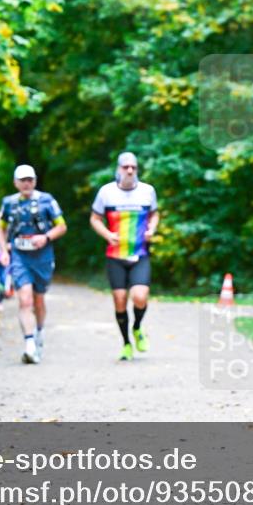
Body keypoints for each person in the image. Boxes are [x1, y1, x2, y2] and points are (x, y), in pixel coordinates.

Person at [89, 152, 159, 361]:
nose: (130, 170)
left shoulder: (147, 191)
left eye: (133, 167)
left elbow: (155, 213)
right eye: (126, 167)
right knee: (120, 300)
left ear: (137, 169)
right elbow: (94, 218)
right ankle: (126, 343)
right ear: (118, 169)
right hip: (115, 255)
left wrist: (152, 229)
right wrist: (107, 234)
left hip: (140, 254)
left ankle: (137, 327)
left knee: (139, 296)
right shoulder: (106, 192)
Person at [0, 164, 67, 364]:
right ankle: (29, 344)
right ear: (15, 182)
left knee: (38, 300)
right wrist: (3, 250)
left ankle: (39, 333)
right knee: (24, 300)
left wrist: (46, 237)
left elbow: (62, 226)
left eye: (30, 180)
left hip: (42, 256)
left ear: (34, 181)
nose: (26, 183)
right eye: (22, 180)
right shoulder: (8, 203)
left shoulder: (47, 200)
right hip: (20, 256)